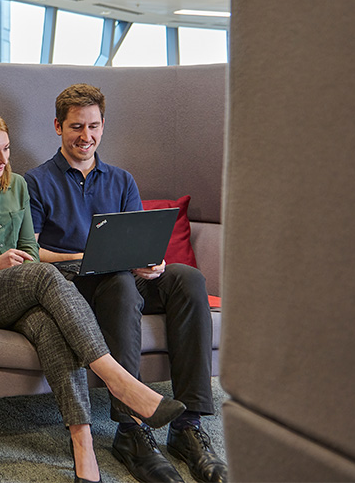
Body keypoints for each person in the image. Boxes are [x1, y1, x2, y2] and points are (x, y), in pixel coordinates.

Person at [0, 110, 185, 483]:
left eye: (6, 149)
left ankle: (82, 445)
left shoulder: (17, 186)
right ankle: (117, 378)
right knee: (44, 274)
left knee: (47, 325)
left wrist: (16, 263)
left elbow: (29, 249)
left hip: (20, 288)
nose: (3, 160)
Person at [24, 84, 228, 483]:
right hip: (75, 285)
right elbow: (31, 252)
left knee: (188, 278)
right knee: (117, 280)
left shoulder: (121, 180)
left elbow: (136, 245)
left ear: (104, 125)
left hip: (123, 277)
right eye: (76, 127)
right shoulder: (35, 182)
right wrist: (88, 257)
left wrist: (150, 263)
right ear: (57, 127)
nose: (86, 136)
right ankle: (131, 429)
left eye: (94, 126)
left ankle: (187, 426)